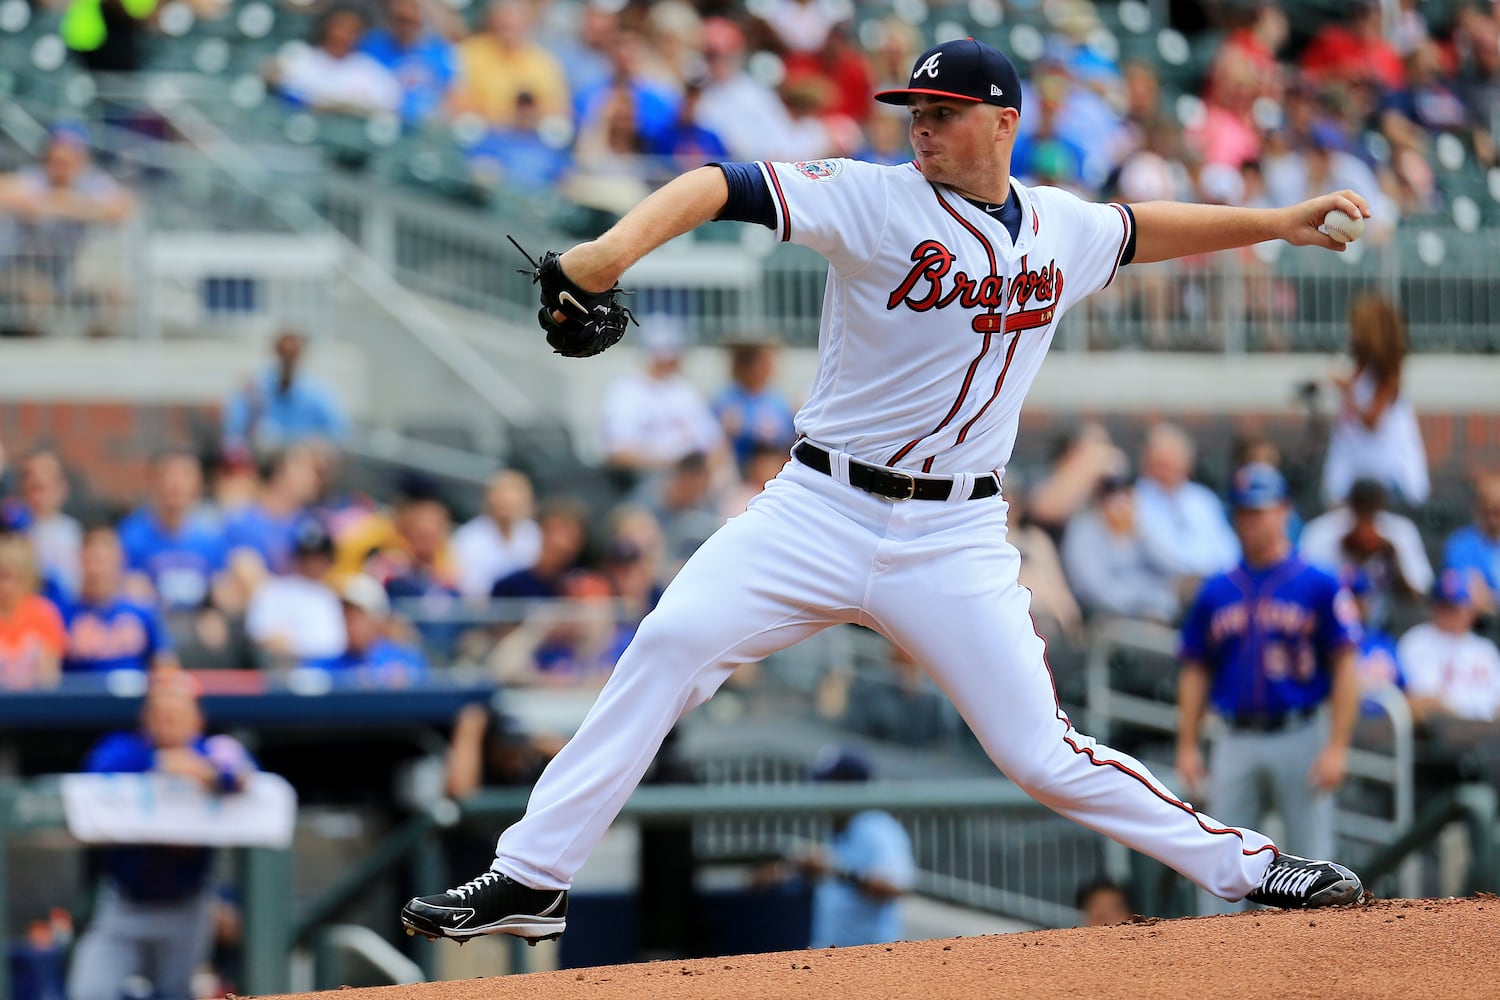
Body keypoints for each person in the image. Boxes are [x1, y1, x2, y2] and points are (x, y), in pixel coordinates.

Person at [403, 37, 1370, 944]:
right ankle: (532, 878)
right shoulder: (873, 198)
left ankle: (1254, 869)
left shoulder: (1061, 226)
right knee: (669, 640)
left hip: (955, 536)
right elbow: (715, 183)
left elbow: (1139, 230)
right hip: (818, 509)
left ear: (1003, 123)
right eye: (916, 108)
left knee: (1039, 753)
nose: (922, 125)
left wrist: (1279, 222)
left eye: (945, 112)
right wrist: (604, 259)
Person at [1176, 464, 1361, 913]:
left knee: (1315, 870)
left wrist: (1337, 745)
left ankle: (1318, 975)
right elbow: (1195, 668)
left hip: (1300, 732)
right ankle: (1217, 976)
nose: (1252, 520)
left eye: (1261, 510)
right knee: (1219, 868)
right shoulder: (1216, 590)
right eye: (1244, 511)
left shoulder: (1318, 582)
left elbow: (1345, 664)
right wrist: (1186, 743)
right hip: (1234, 736)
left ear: (1284, 511)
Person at [67, 671, 257, 1000]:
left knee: (177, 992)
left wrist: (210, 773)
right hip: (125, 906)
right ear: (146, 718)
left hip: (187, 906)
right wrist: (160, 762)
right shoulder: (123, 749)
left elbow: (244, 774)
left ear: (197, 719)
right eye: (160, 712)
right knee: (89, 990)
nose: (167, 721)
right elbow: (96, 773)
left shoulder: (214, 749)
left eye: (177, 713)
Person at [799, 747, 914, 948]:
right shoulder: (841, 827)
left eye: (830, 787)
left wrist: (834, 870)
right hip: (833, 953)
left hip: (871, 957)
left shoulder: (876, 827)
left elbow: (896, 886)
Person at [1321, 293, 1429, 507]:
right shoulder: (1361, 366)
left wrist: (1346, 391)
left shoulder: (1388, 374)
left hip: (1385, 478)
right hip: (1354, 468)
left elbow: (1373, 421)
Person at [1299, 478, 1433, 629]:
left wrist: (1393, 560)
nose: (1365, 515)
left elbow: (1419, 594)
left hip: (1382, 627)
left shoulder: (1397, 531)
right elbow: (1302, 587)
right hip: (1327, 623)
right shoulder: (1324, 531)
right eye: (1360, 507)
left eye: (1372, 509)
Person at [118, 450, 230, 613]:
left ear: (198, 485)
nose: (176, 484)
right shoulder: (131, 535)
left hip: (198, 624)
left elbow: (221, 587)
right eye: (169, 474)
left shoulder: (212, 536)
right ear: (153, 481)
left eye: (185, 475)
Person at [1060, 474, 1181, 623]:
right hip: (1105, 613)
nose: (1122, 503)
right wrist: (1142, 606)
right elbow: (1092, 588)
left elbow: (1169, 569)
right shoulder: (1084, 529)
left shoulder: (1139, 531)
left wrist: (1140, 533)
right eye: (1114, 496)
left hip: (1151, 610)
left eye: (1127, 495)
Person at [62, 523, 178, 676]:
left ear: (119, 560)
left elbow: (166, 665)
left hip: (134, 696)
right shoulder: (63, 615)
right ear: (80, 561)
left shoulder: (142, 612)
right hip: (80, 697)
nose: (97, 570)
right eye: (91, 560)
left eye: (103, 560)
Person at [1132, 422, 1240, 585]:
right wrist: (1203, 570)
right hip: (1163, 588)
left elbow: (1228, 549)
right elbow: (1163, 554)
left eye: (1174, 461)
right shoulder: (1135, 501)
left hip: (1214, 580)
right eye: (1161, 463)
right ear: (1147, 462)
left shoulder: (1202, 498)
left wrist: (1220, 575)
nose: (1167, 469)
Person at [221, 330, 350, 457]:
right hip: (259, 461)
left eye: (292, 354)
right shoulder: (254, 388)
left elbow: (339, 435)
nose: (287, 360)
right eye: (283, 353)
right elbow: (233, 434)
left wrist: (314, 445)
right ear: (276, 353)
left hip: (303, 461)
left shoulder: (318, 394)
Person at [452, 470, 541, 600]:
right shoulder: (467, 538)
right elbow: (468, 588)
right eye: (502, 496)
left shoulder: (535, 535)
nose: (507, 502)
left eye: (514, 495)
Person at [711, 340, 797, 470]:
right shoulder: (727, 399)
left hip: (773, 463)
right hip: (739, 465)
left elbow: (788, 434)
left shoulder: (777, 399)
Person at [0, 532, 65, 689]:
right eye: (1, 577)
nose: (6, 586)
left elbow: (50, 678)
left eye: (13, 578)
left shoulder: (44, 613)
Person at [16, 449, 82, 597]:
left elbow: (74, 588)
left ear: (61, 489)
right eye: (32, 488)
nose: (37, 497)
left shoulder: (71, 533)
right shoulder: (12, 528)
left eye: (42, 488)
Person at [1442, 469, 1500, 617]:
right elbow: (1475, 599)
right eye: (1488, 510)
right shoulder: (1461, 545)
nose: (1493, 518)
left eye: (1497, 510)